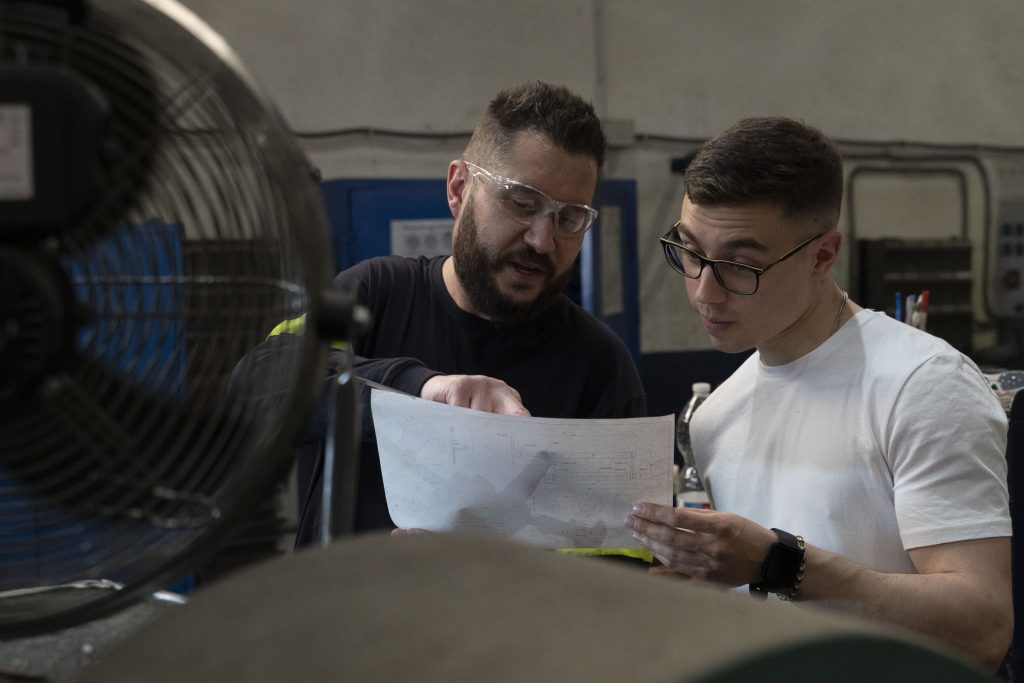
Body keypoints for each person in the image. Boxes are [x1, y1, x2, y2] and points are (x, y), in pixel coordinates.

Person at [624, 117, 1012, 671]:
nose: (703, 291)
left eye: (740, 264)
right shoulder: (715, 418)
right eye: (688, 252)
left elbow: (983, 626)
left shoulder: (920, 385)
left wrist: (779, 563)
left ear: (823, 256)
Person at [242, 81, 646, 542]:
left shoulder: (599, 365)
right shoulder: (372, 292)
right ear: (459, 188)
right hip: (345, 610)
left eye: (569, 218)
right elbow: (258, 383)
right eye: (521, 203)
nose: (542, 240)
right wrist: (420, 390)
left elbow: (615, 561)